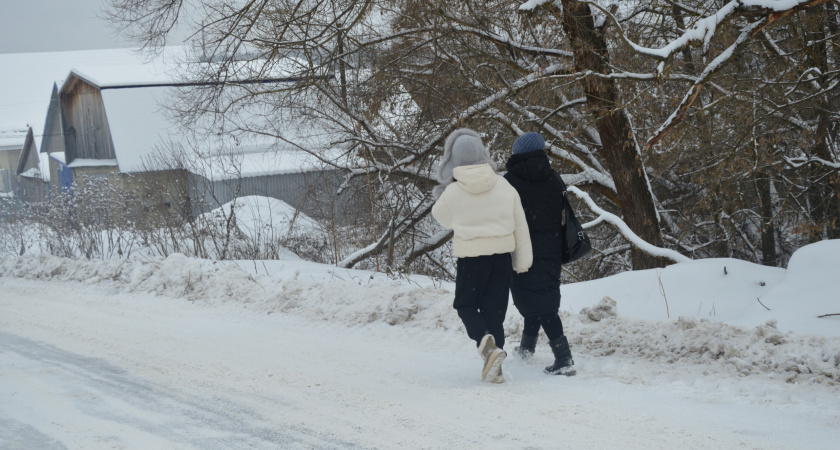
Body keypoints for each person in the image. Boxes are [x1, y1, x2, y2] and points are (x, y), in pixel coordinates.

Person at [432, 128, 533, 383]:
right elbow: (520, 224)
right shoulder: (504, 185)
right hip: (501, 259)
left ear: (453, 160)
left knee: (465, 305)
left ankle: (485, 344)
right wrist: (523, 261)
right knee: (494, 312)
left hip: (471, 260)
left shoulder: (454, 192)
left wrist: (445, 193)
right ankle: (495, 370)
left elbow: (441, 218)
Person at [503, 132, 576, 376]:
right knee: (542, 296)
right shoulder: (554, 178)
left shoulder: (509, 182)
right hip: (551, 248)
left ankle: (564, 359)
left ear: (518, 153)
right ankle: (527, 348)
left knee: (535, 301)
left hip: (522, 249)